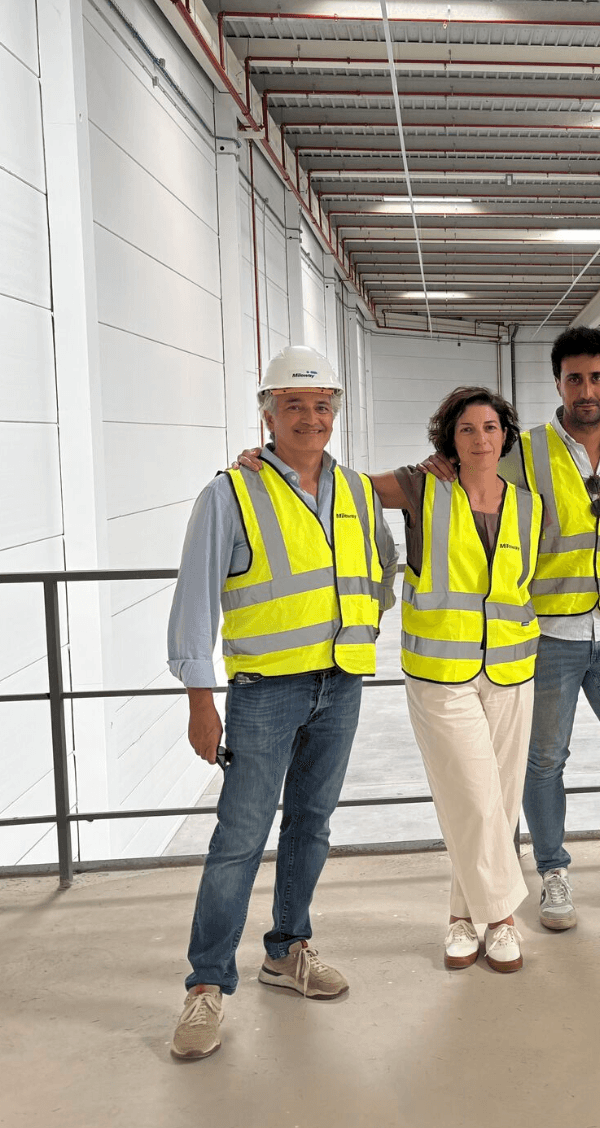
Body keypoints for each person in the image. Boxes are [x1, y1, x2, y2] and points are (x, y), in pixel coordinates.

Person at [165, 346, 396, 1060]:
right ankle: (205, 985)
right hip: (265, 688)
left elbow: (381, 570)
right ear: (268, 413)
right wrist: (200, 699)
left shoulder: (357, 490)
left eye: (322, 404)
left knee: (311, 825)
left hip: (341, 680)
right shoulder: (230, 492)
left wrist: (362, 626)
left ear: (334, 412)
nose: (311, 416)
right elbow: (195, 601)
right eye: (294, 404)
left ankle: (287, 948)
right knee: (238, 838)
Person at [477, 327, 600, 926]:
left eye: (596, 378)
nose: (586, 389)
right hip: (549, 635)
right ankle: (554, 873)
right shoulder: (526, 449)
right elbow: (473, 481)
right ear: (558, 383)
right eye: (574, 379)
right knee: (544, 759)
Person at [379, 387, 542, 972]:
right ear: (449, 437)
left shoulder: (528, 504)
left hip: (512, 669)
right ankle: (501, 918)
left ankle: (459, 915)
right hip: (439, 671)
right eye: (468, 429)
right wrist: (268, 454)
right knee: (472, 795)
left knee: (495, 803)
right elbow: (340, 486)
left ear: (506, 436)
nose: (481, 439)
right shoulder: (423, 488)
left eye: (491, 427)